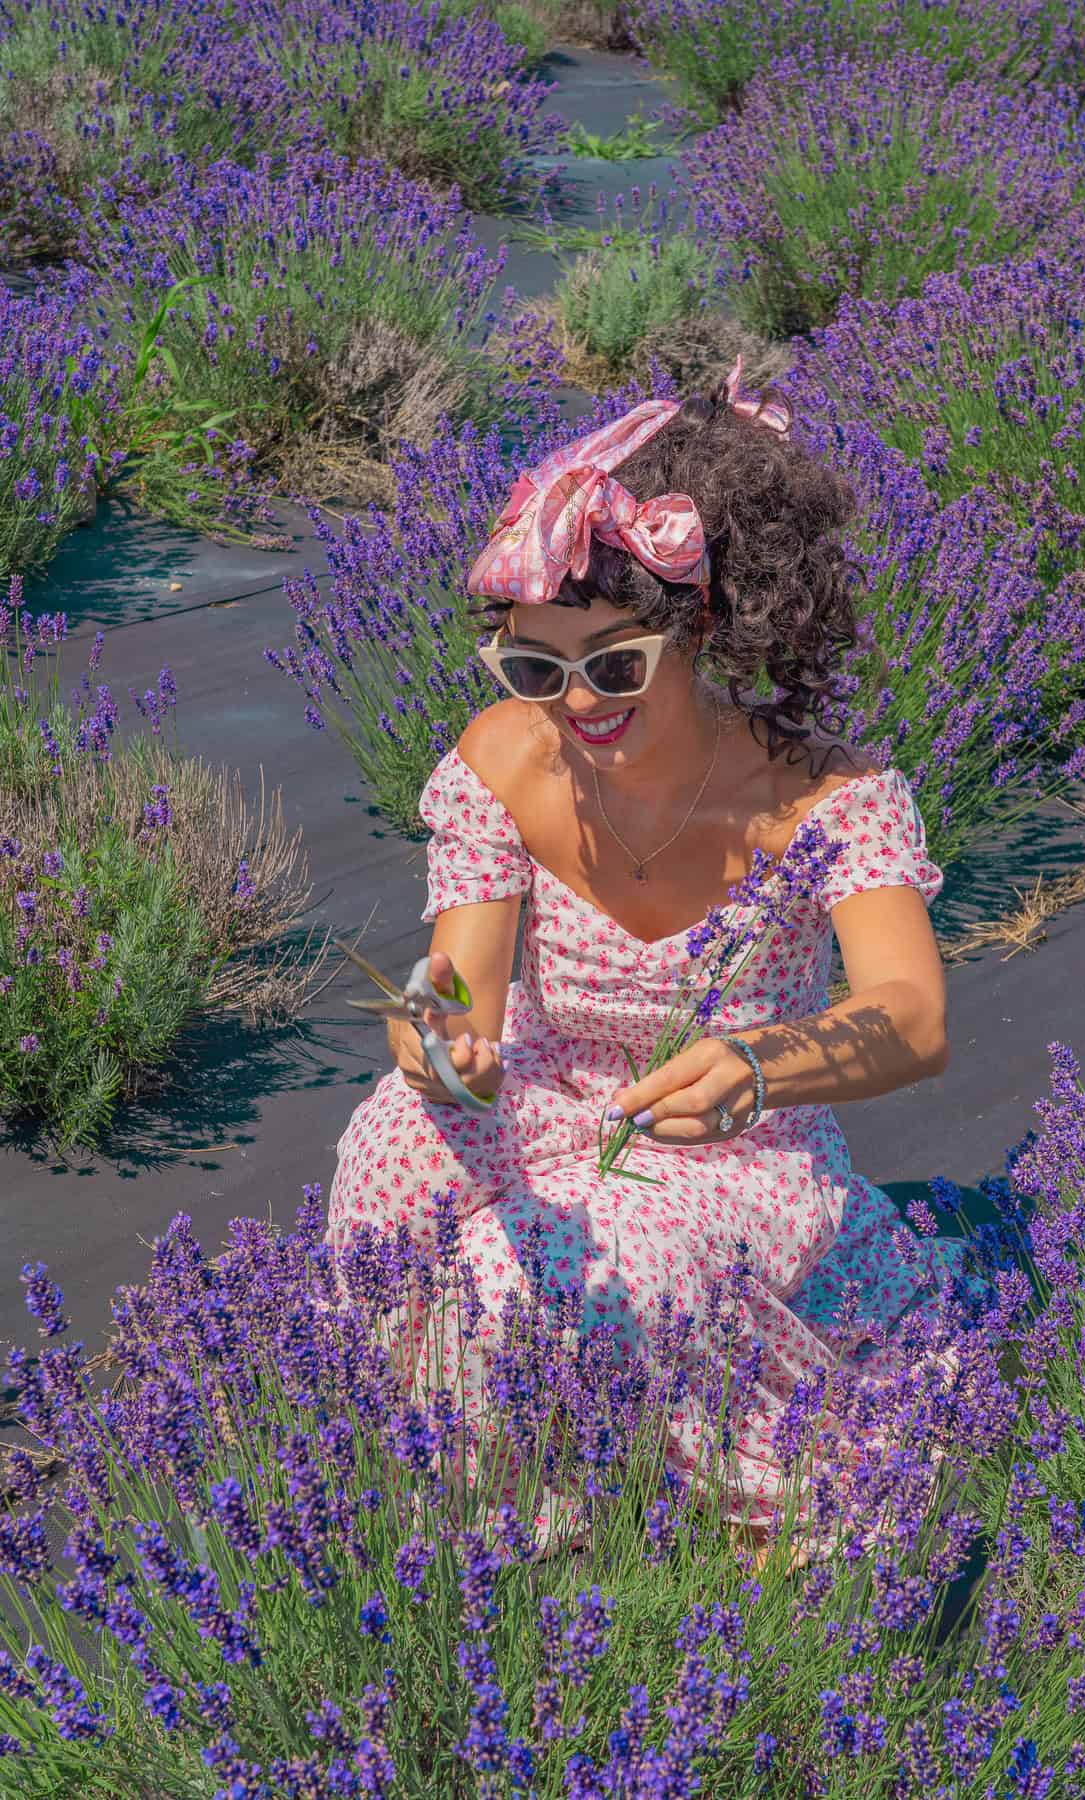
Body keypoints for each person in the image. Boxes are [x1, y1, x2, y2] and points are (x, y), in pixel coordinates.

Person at [327, 360, 965, 1558]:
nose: (574, 703)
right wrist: (431, 1037)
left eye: (615, 664)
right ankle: (486, 1474)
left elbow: (915, 1017)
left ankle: (607, 1488)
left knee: (542, 1283)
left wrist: (761, 1062)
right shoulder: (506, 759)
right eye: (534, 668)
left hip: (731, 1140)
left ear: (702, 629)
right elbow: (458, 982)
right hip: (547, 1090)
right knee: (387, 1160)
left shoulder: (826, 795)